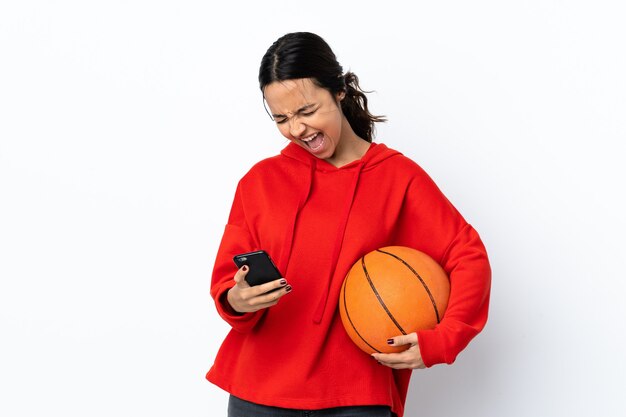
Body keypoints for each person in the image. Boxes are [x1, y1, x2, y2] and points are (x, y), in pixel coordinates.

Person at [206, 32, 491, 417]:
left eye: (307, 111)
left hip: (356, 397)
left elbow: (466, 252)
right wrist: (236, 300)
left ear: (339, 91)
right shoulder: (260, 181)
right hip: (256, 394)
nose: (296, 129)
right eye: (281, 118)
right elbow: (228, 280)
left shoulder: (397, 178)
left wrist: (443, 339)